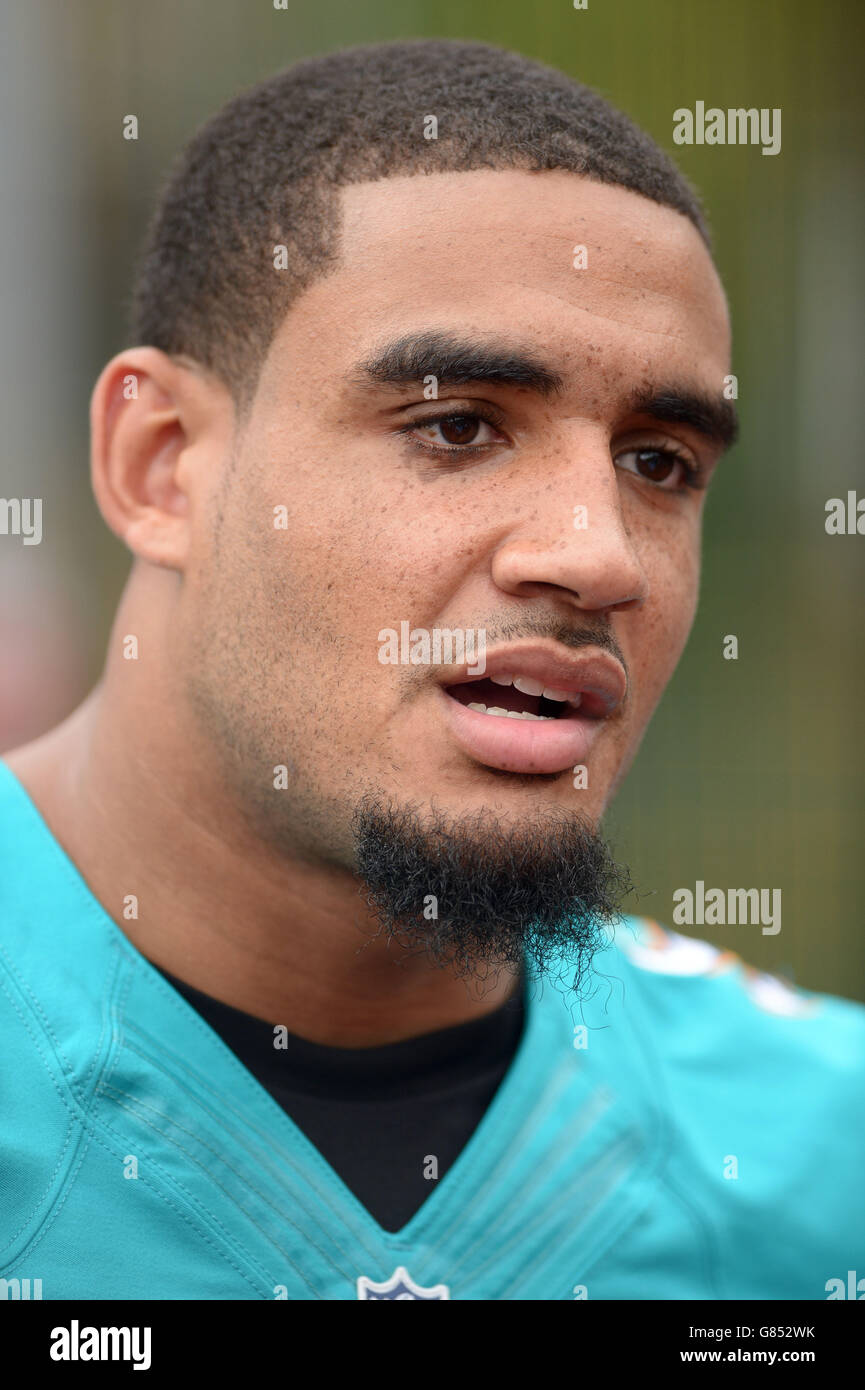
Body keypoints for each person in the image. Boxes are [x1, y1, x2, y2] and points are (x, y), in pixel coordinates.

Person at [1, 38, 861, 1301]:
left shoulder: (815, 1166)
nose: (598, 554)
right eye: (457, 426)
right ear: (161, 462)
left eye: (659, 462)